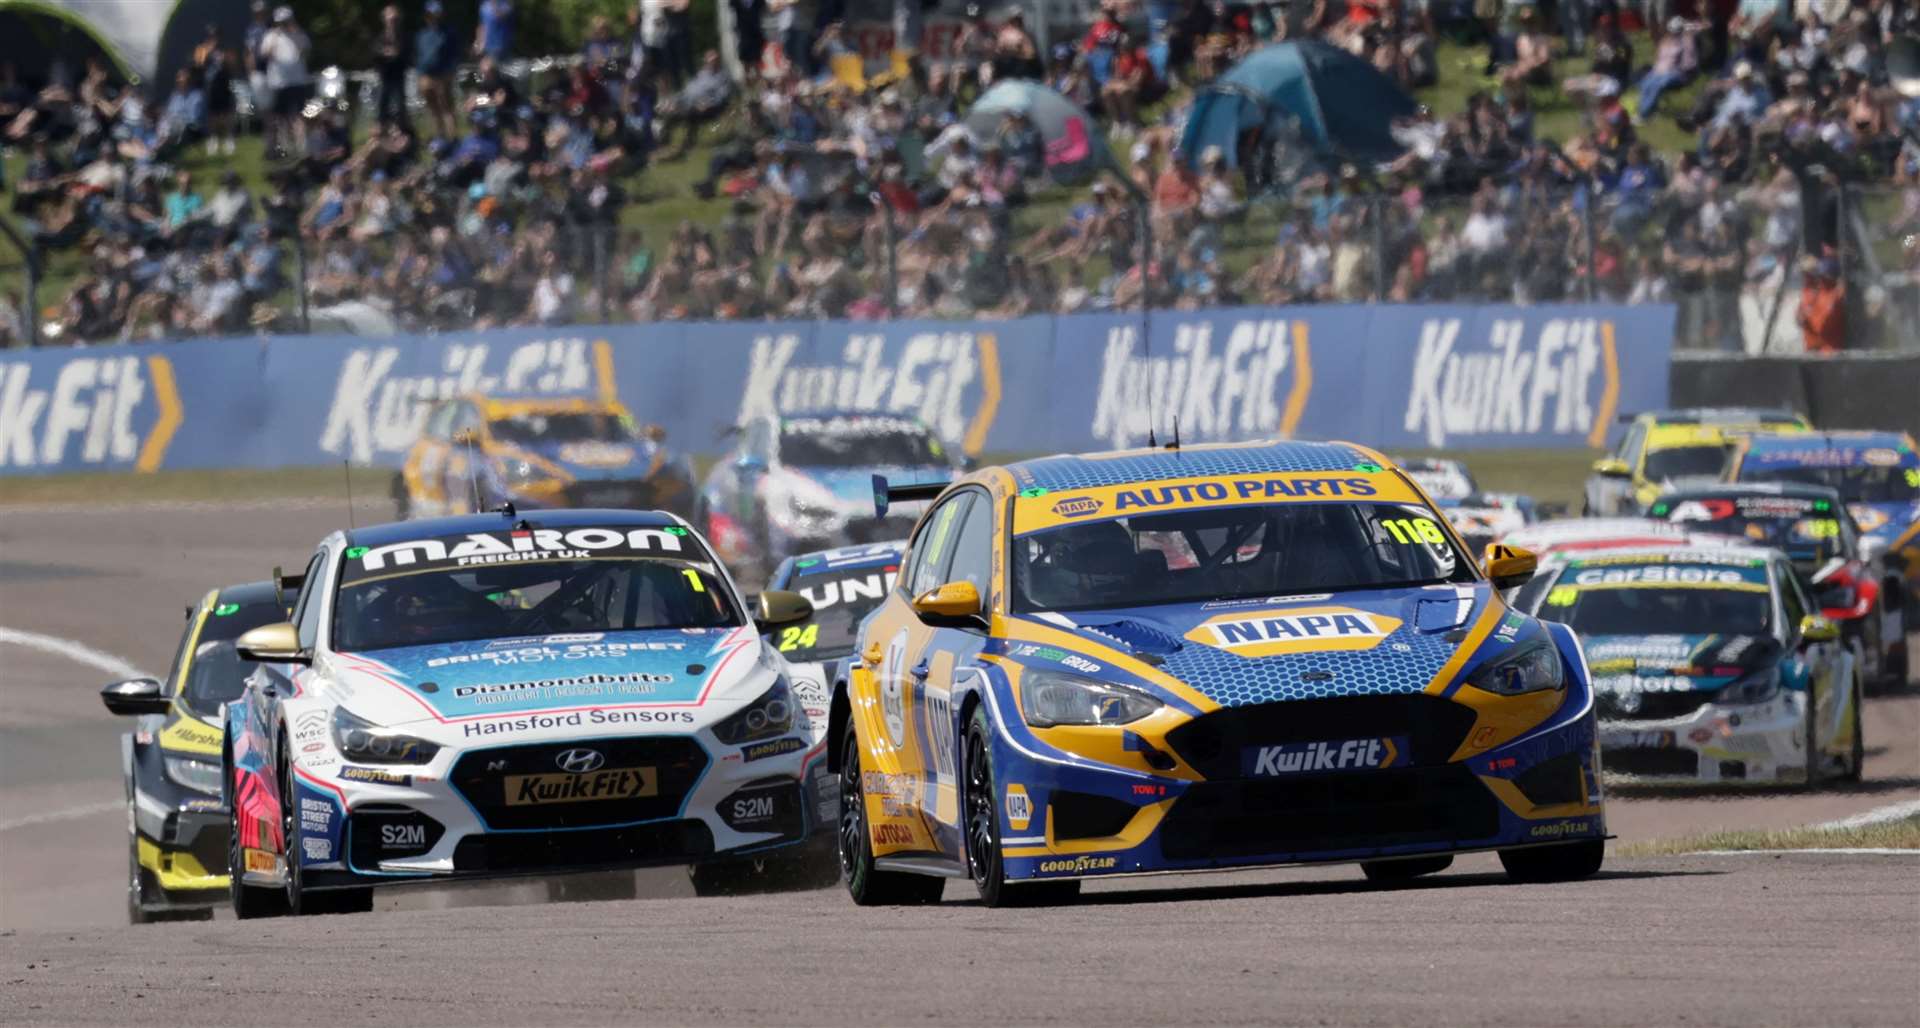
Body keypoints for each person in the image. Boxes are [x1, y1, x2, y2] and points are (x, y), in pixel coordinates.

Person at [259, 7, 311, 157]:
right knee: (281, 117)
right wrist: (276, 36)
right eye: (281, 22)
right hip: (279, 82)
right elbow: (265, 54)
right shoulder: (270, 36)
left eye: (286, 21)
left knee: (298, 115)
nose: (284, 24)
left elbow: (305, 50)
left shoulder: (299, 34)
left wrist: (295, 33)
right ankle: (285, 146)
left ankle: (302, 146)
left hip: (297, 81)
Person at [416, 1, 458, 140]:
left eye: (436, 14)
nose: (434, 17)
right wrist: (420, 75)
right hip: (426, 76)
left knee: (446, 107)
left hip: (443, 75)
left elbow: (454, 55)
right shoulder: (422, 35)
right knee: (433, 109)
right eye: (431, 14)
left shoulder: (448, 33)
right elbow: (419, 56)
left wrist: (449, 73)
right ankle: (439, 136)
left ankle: (452, 138)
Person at [1797, 255, 1845, 353]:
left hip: (1830, 351)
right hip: (1812, 347)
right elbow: (1799, 317)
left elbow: (1822, 327)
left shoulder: (1836, 295)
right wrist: (1802, 316)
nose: (1820, 279)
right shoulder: (1814, 292)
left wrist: (1807, 316)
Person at [374, 5, 408, 126]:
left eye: (394, 19)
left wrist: (393, 53)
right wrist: (386, 53)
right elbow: (376, 54)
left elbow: (405, 54)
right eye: (389, 18)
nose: (392, 21)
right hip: (385, 77)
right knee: (383, 106)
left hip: (398, 76)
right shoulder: (380, 37)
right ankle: (382, 130)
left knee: (400, 106)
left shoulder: (403, 36)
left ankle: (402, 131)